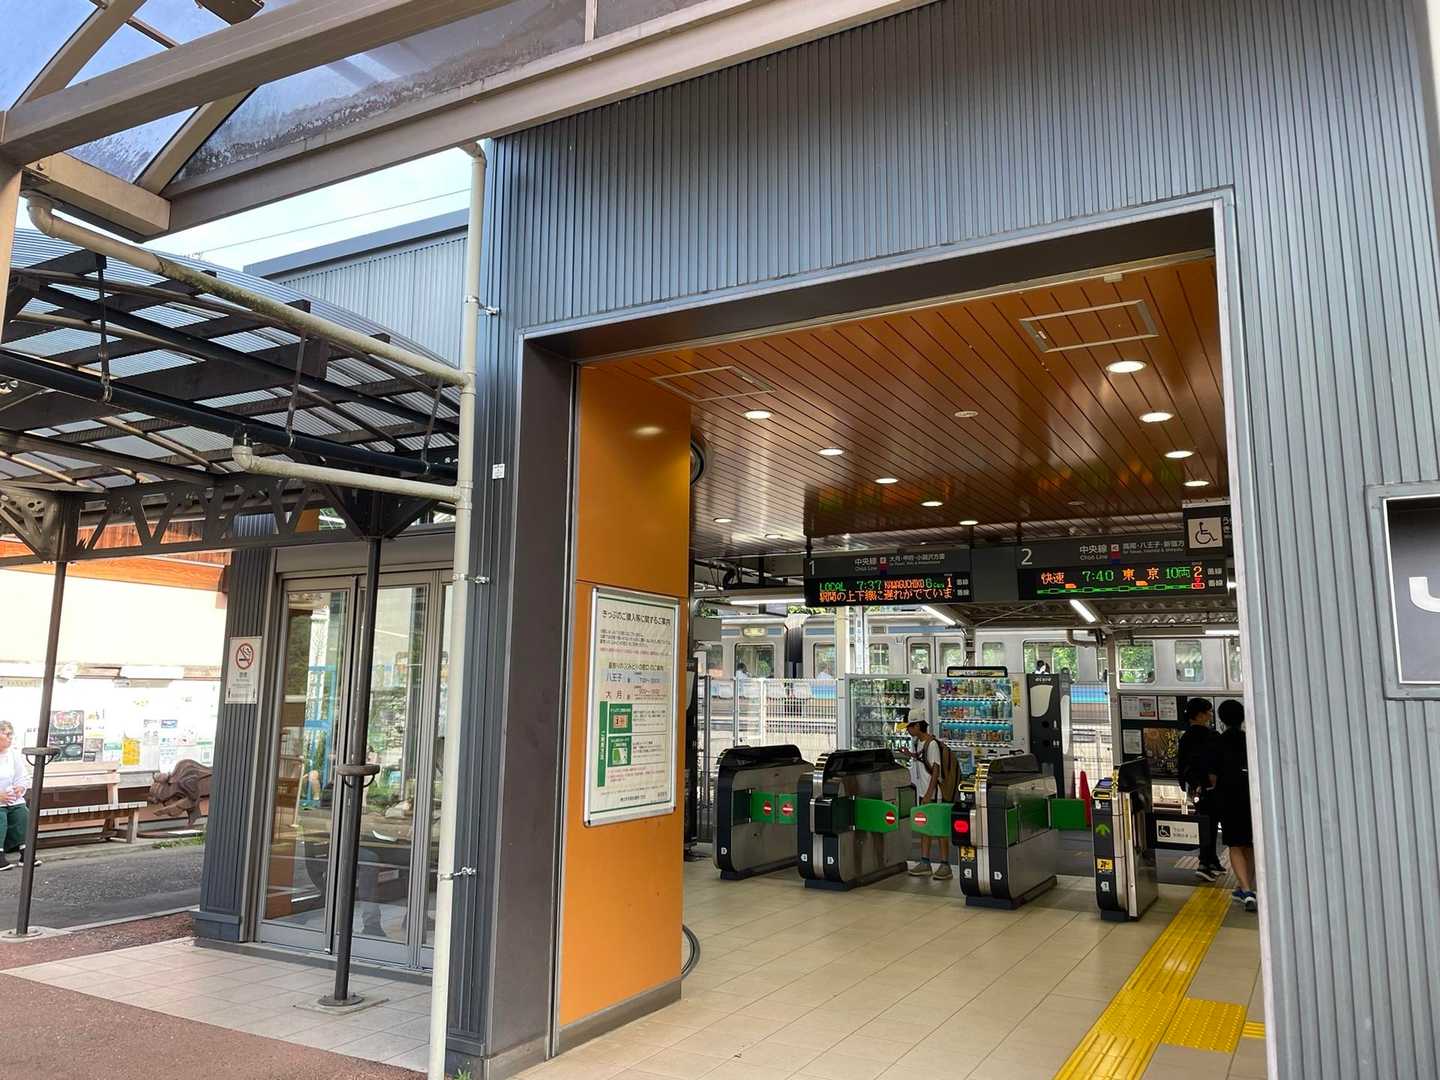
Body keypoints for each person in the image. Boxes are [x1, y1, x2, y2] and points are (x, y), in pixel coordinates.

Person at [1177, 696, 1224, 881]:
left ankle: (1211, 860)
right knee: (1210, 825)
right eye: (1208, 712)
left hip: (1195, 788)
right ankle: (1205, 863)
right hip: (1211, 788)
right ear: (1199, 715)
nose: (1210, 715)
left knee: (1206, 823)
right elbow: (1216, 761)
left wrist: (1190, 785)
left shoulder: (1186, 737)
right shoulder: (1211, 736)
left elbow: (1182, 765)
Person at [903, 720, 957, 881]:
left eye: (909, 727)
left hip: (933, 794)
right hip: (923, 792)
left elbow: (936, 771)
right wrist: (910, 755)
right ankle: (925, 862)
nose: (907, 730)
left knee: (939, 829)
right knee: (924, 828)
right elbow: (922, 760)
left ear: (917, 726)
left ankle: (945, 865)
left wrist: (928, 794)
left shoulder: (932, 744)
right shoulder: (918, 743)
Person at [1217, 700, 1258, 911]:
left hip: (1229, 798)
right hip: (1251, 798)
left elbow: (1212, 775)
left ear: (1221, 719)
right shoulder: (1250, 739)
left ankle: (1246, 890)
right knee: (1249, 844)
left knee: (1235, 845)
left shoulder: (1219, 741)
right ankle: (1247, 888)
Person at [0, 721, 33, 871]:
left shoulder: (13, 754)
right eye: (6, 734)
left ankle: (26, 854)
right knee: (0, 817)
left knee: (22, 813)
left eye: (11, 734)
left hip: (12, 799)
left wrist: (20, 787)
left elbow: (22, 776)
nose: (10, 738)